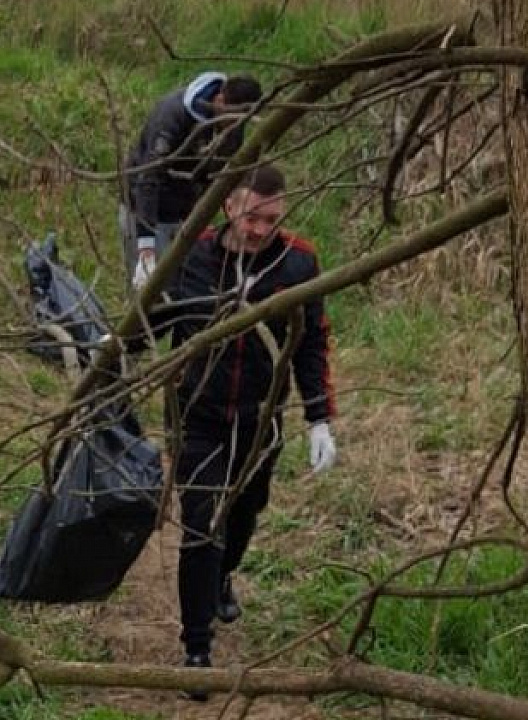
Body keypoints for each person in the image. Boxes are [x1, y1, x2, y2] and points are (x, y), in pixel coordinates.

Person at [134, 164, 338, 700]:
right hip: (196, 415)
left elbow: (312, 343)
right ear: (229, 207)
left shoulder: (299, 262)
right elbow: (160, 321)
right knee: (202, 524)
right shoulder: (191, 256)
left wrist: (319, 418)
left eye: (272, 220)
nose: (260, 230)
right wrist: (116, 345)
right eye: (252, 218)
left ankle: (223, 575)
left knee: (244, 512)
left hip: (259, 417)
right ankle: (196, 650)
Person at [121, 72, 264, 292]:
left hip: (186, 214)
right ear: (220, 100)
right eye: (232, 119)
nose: (235, 126)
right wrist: (146, 249)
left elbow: (223, 177)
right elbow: (148, 178)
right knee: (150, 291)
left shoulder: (234, 124)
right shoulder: (172, 117)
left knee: (184, 288)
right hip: (147, 210)